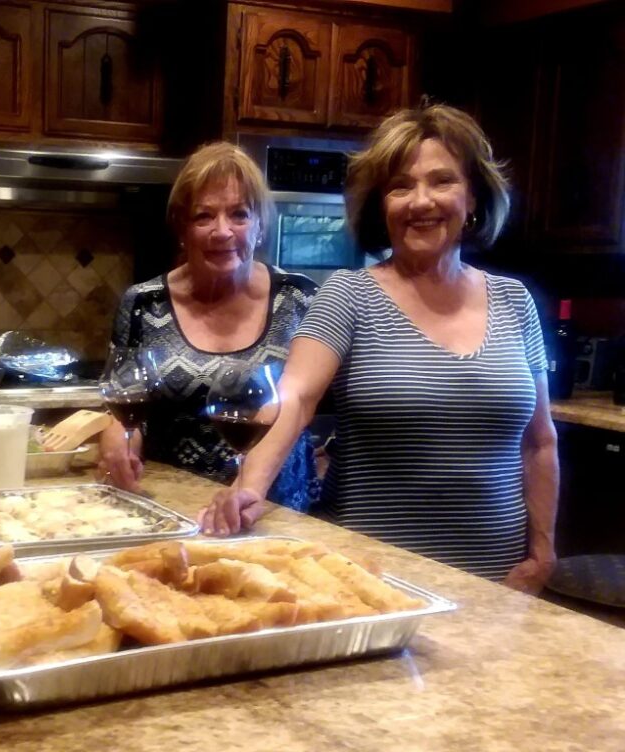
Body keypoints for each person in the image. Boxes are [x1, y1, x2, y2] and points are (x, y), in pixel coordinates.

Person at [198, 104, 559, 595]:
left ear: (472, 195)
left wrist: (542, 554)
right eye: (400, 186)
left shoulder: (516, 302)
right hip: (370, 578)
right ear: (381, 205)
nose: (421, 201)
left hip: (498, 583)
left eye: (442, 181)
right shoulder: (349, 295)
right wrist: (250, 487)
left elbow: (539, 441)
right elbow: (296, 397)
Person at [97, 141, 319, 512]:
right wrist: (119, 442)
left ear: (260, 226)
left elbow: (318, 406)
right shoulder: (143, 304)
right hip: (172, 510)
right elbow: (124, 407)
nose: (222, 231)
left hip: (278, 515)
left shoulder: (300, 299)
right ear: (183, 229)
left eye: (239, 215)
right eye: (204, 216)